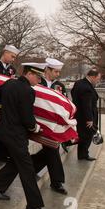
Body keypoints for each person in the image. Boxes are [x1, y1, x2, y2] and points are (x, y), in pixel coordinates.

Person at [0, 63, 53, 209]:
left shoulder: (10, 83)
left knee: (15, 163)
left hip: (5, 132)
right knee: (27, 169)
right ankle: (34, 207)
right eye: (37, 77)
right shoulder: (28, 91)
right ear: (29, 74)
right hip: (16, 135)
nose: (39, 80)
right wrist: (34, 127)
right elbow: (27, 117)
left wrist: (2, 111)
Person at [32, 58, 68, 195]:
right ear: (47, 70)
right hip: (37, 121)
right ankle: (57, 182)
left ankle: (32, 167)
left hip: (53, 124)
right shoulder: (37, 81)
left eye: (59, 72)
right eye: (56, 71)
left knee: (51, 148)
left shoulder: (60, 86)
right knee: (52, 149)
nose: (58, 74)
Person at [71, 69, 102, 161]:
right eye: (98, 79)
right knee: (87, 135)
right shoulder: (87, 88)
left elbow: (73, 94)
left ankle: (82, 154)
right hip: (86, 116)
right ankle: (84, 155)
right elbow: (86, 105)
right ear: (92, 77)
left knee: (82, 135)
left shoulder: (78, 83)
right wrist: (90, 119)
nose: (98, 81)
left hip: (79, 114)